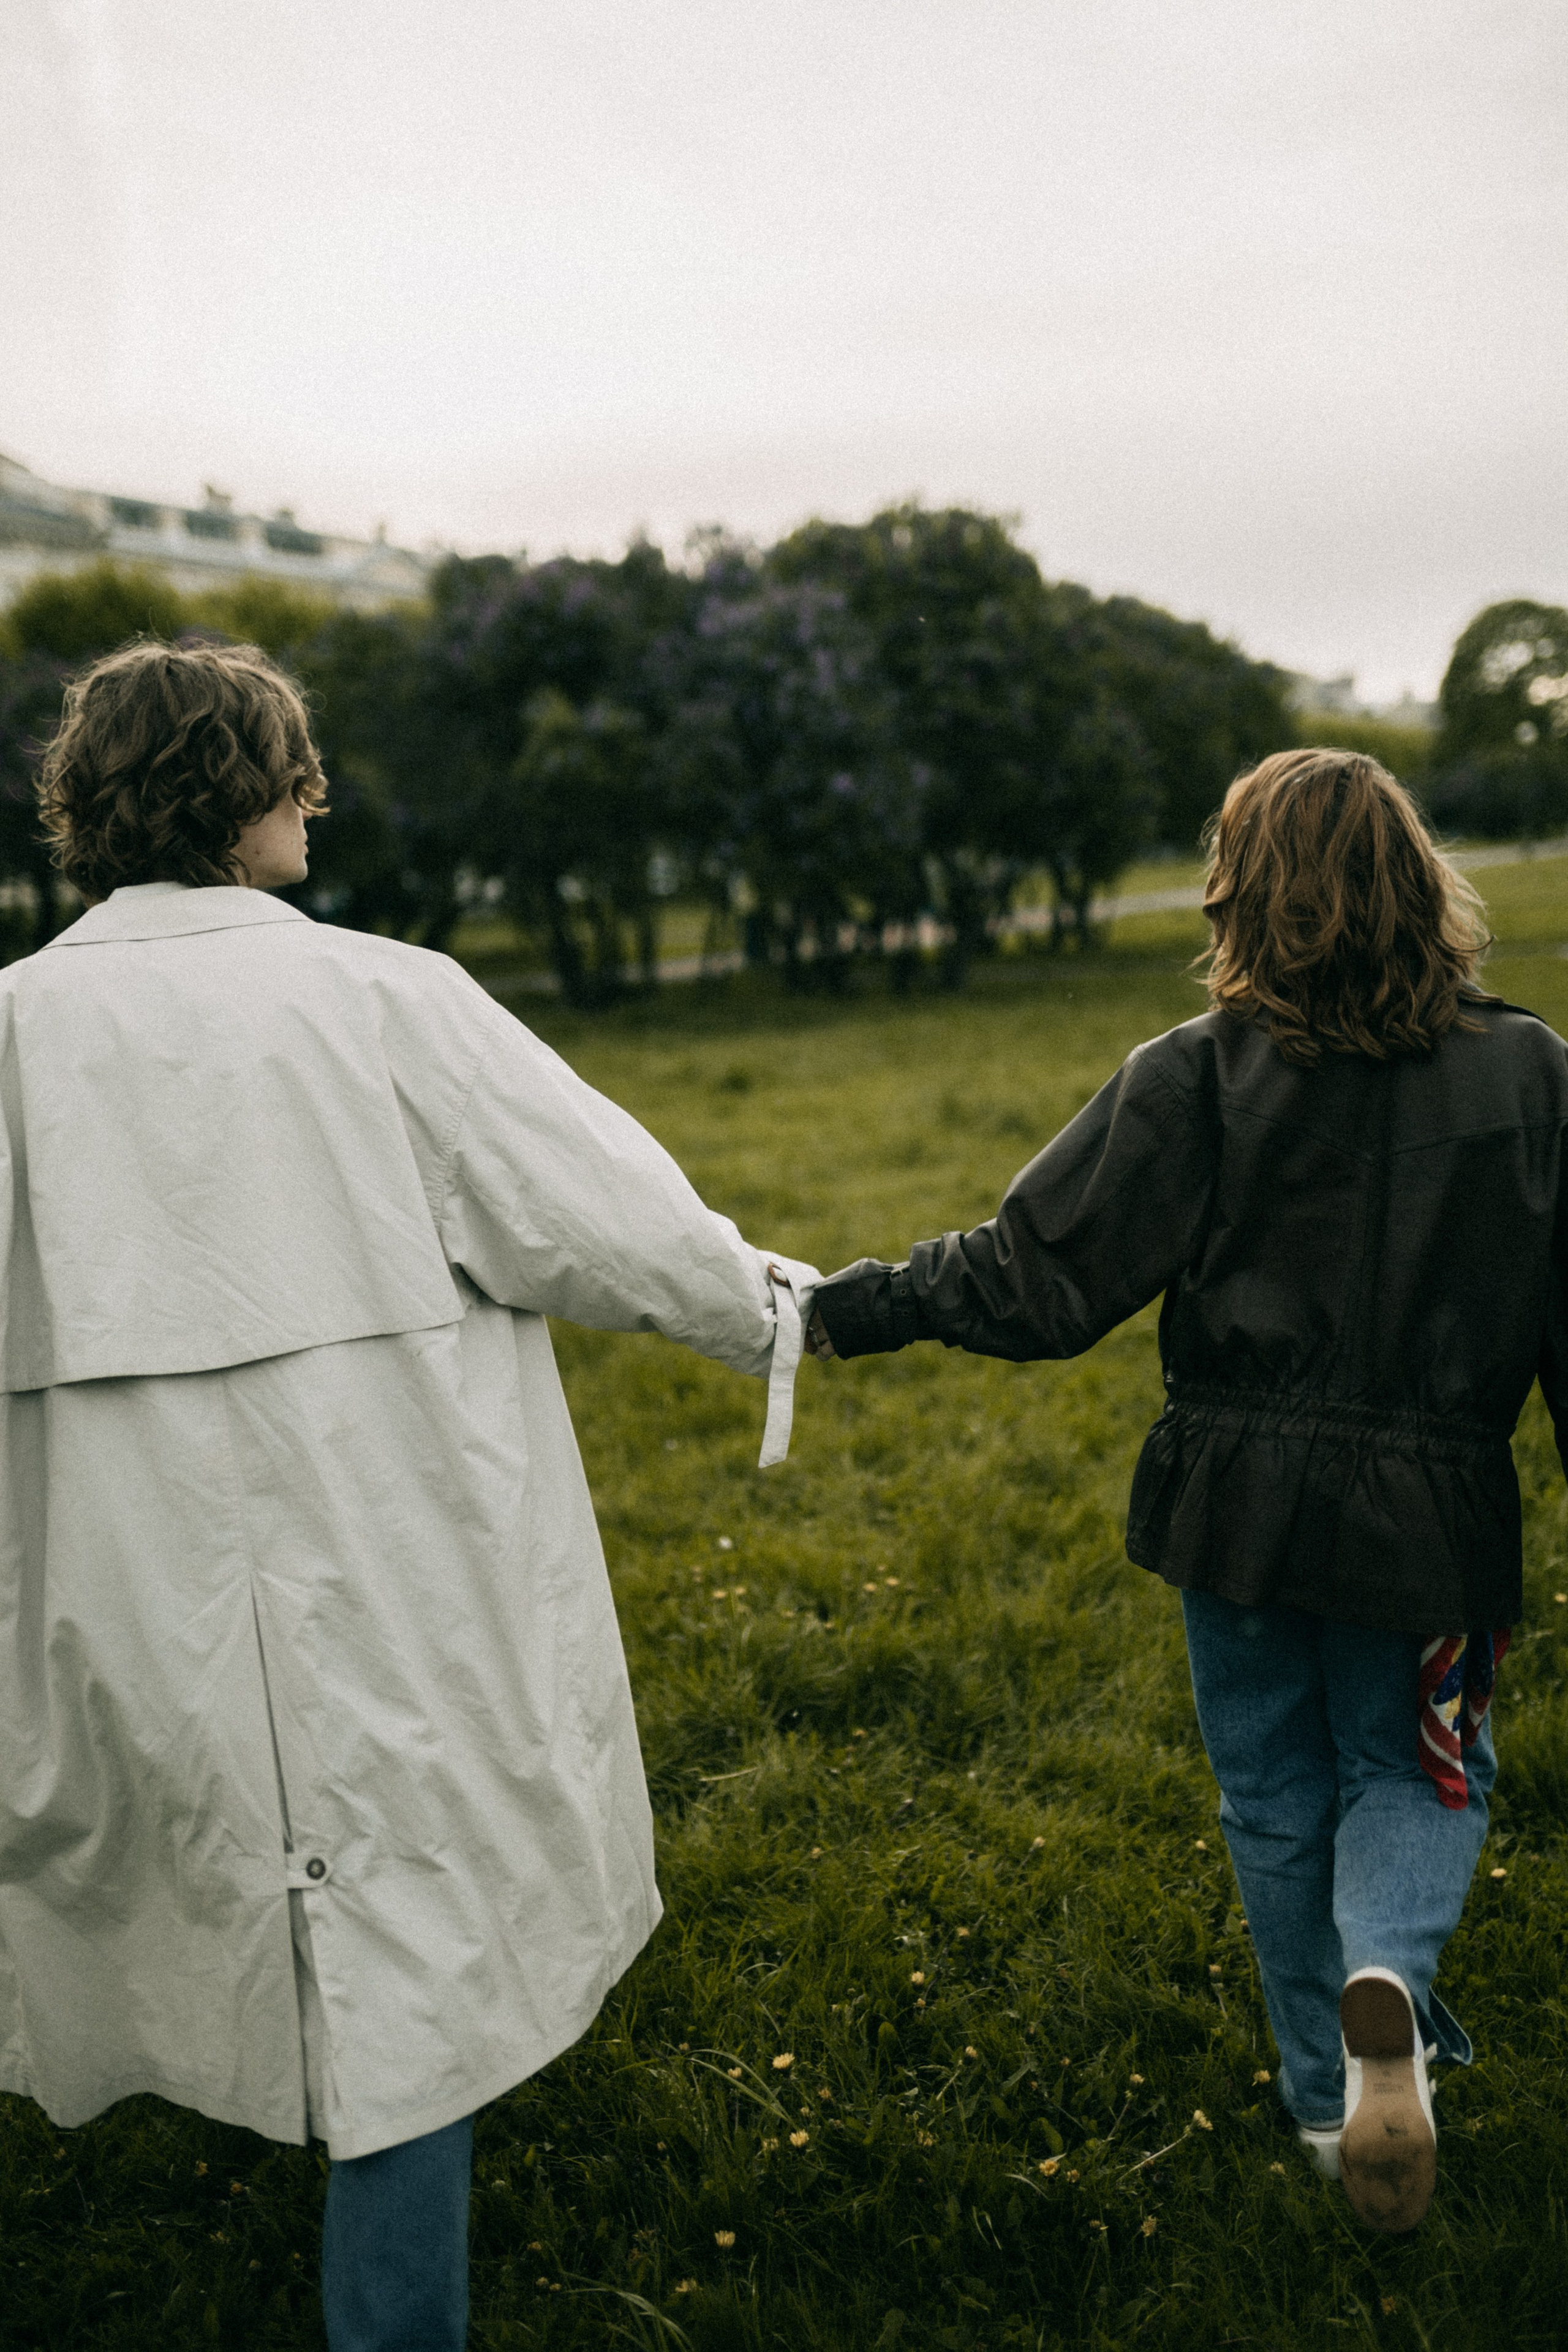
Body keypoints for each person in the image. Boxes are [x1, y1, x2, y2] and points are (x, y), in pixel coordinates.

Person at [0, 638, 815, 2350]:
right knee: (414, 1944)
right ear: (240, 789)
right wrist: (777, 1307)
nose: (317, 791)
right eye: (292, 764)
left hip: (118, 1574)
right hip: (387, 1554)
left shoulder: (12, 1032)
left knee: (216, 1885)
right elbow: (609, 1222)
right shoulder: (385, 996)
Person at [807, 747, 1567, 2234]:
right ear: (1420, 883)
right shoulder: (1534, 1074)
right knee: (1414, 1769)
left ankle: (1315, 2102)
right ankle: (1389, 1996)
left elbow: (1034, 1275)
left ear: (1243, 891)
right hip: (1427, 1521)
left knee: (1273, 1801)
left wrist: (853, 1306)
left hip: (1231, 1506)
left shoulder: (1193, 1071)